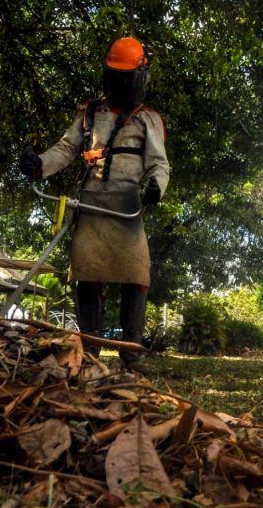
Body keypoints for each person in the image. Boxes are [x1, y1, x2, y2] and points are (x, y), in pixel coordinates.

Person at [19, 36, 170, 374]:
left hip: (127, 207)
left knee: (137, 276)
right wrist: (40, 164)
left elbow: (159, 164)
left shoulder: (149, 119)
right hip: (90, 204)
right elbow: (66, 148)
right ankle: (90, 353)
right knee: (87, 274)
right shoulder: (90, 112)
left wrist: (157, 186)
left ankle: (131, 356)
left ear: (140, 77)